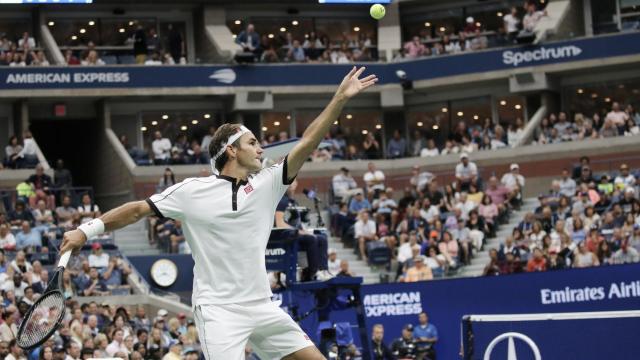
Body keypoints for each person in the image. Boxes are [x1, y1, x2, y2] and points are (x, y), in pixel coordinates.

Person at [61, 66, 377, 360]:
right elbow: (136, 210)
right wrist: (86, 230)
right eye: (252, 143)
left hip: (263, 306)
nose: (260, 149)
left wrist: (339, 99)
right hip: (219, 310)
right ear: (231, 150)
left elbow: (309, 141)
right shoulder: (191, 192)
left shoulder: (267, 184)